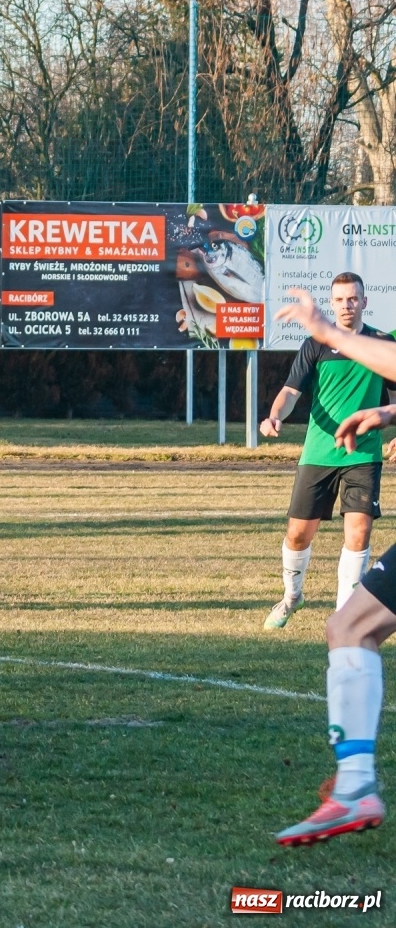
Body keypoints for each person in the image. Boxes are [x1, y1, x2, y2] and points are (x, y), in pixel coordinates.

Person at [272, 287, 396, 845]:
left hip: (358, 462)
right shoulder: (316, 353)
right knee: (348, 627)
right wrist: (387, 413)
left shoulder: (369, 339)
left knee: (349, 621)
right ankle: (354, 787)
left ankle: (355, 787)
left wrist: (328, 331)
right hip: (319, 457)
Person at [259, 273, 394, 628]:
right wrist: (275, 416)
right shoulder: (316, 345)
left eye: (353, 298)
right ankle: (292, 596)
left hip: (363, 454)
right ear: (332, 304)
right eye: (340, 299)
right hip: (318, 453)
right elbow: (290, 391)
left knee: (359, 532)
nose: (347, 305)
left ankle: (345, 614)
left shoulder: (382, 344)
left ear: (364, 302)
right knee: (298, 534)